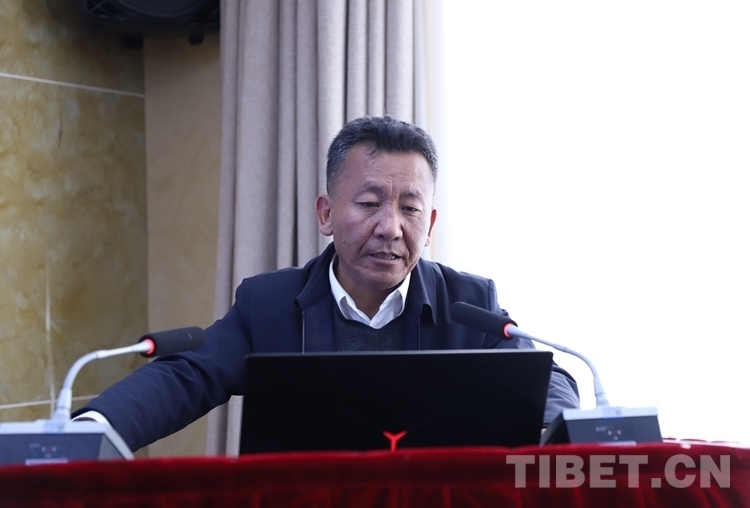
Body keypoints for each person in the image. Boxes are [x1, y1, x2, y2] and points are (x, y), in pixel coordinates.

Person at [75, 115, 579, 451]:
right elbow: (186, 375)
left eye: (410, 208)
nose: (390, 227)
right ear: (326, 213)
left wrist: (550, 430)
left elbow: (547, 377)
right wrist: (91, 430)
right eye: (369, 204)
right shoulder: (269, 304)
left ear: (429, 225)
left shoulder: (468, 303)